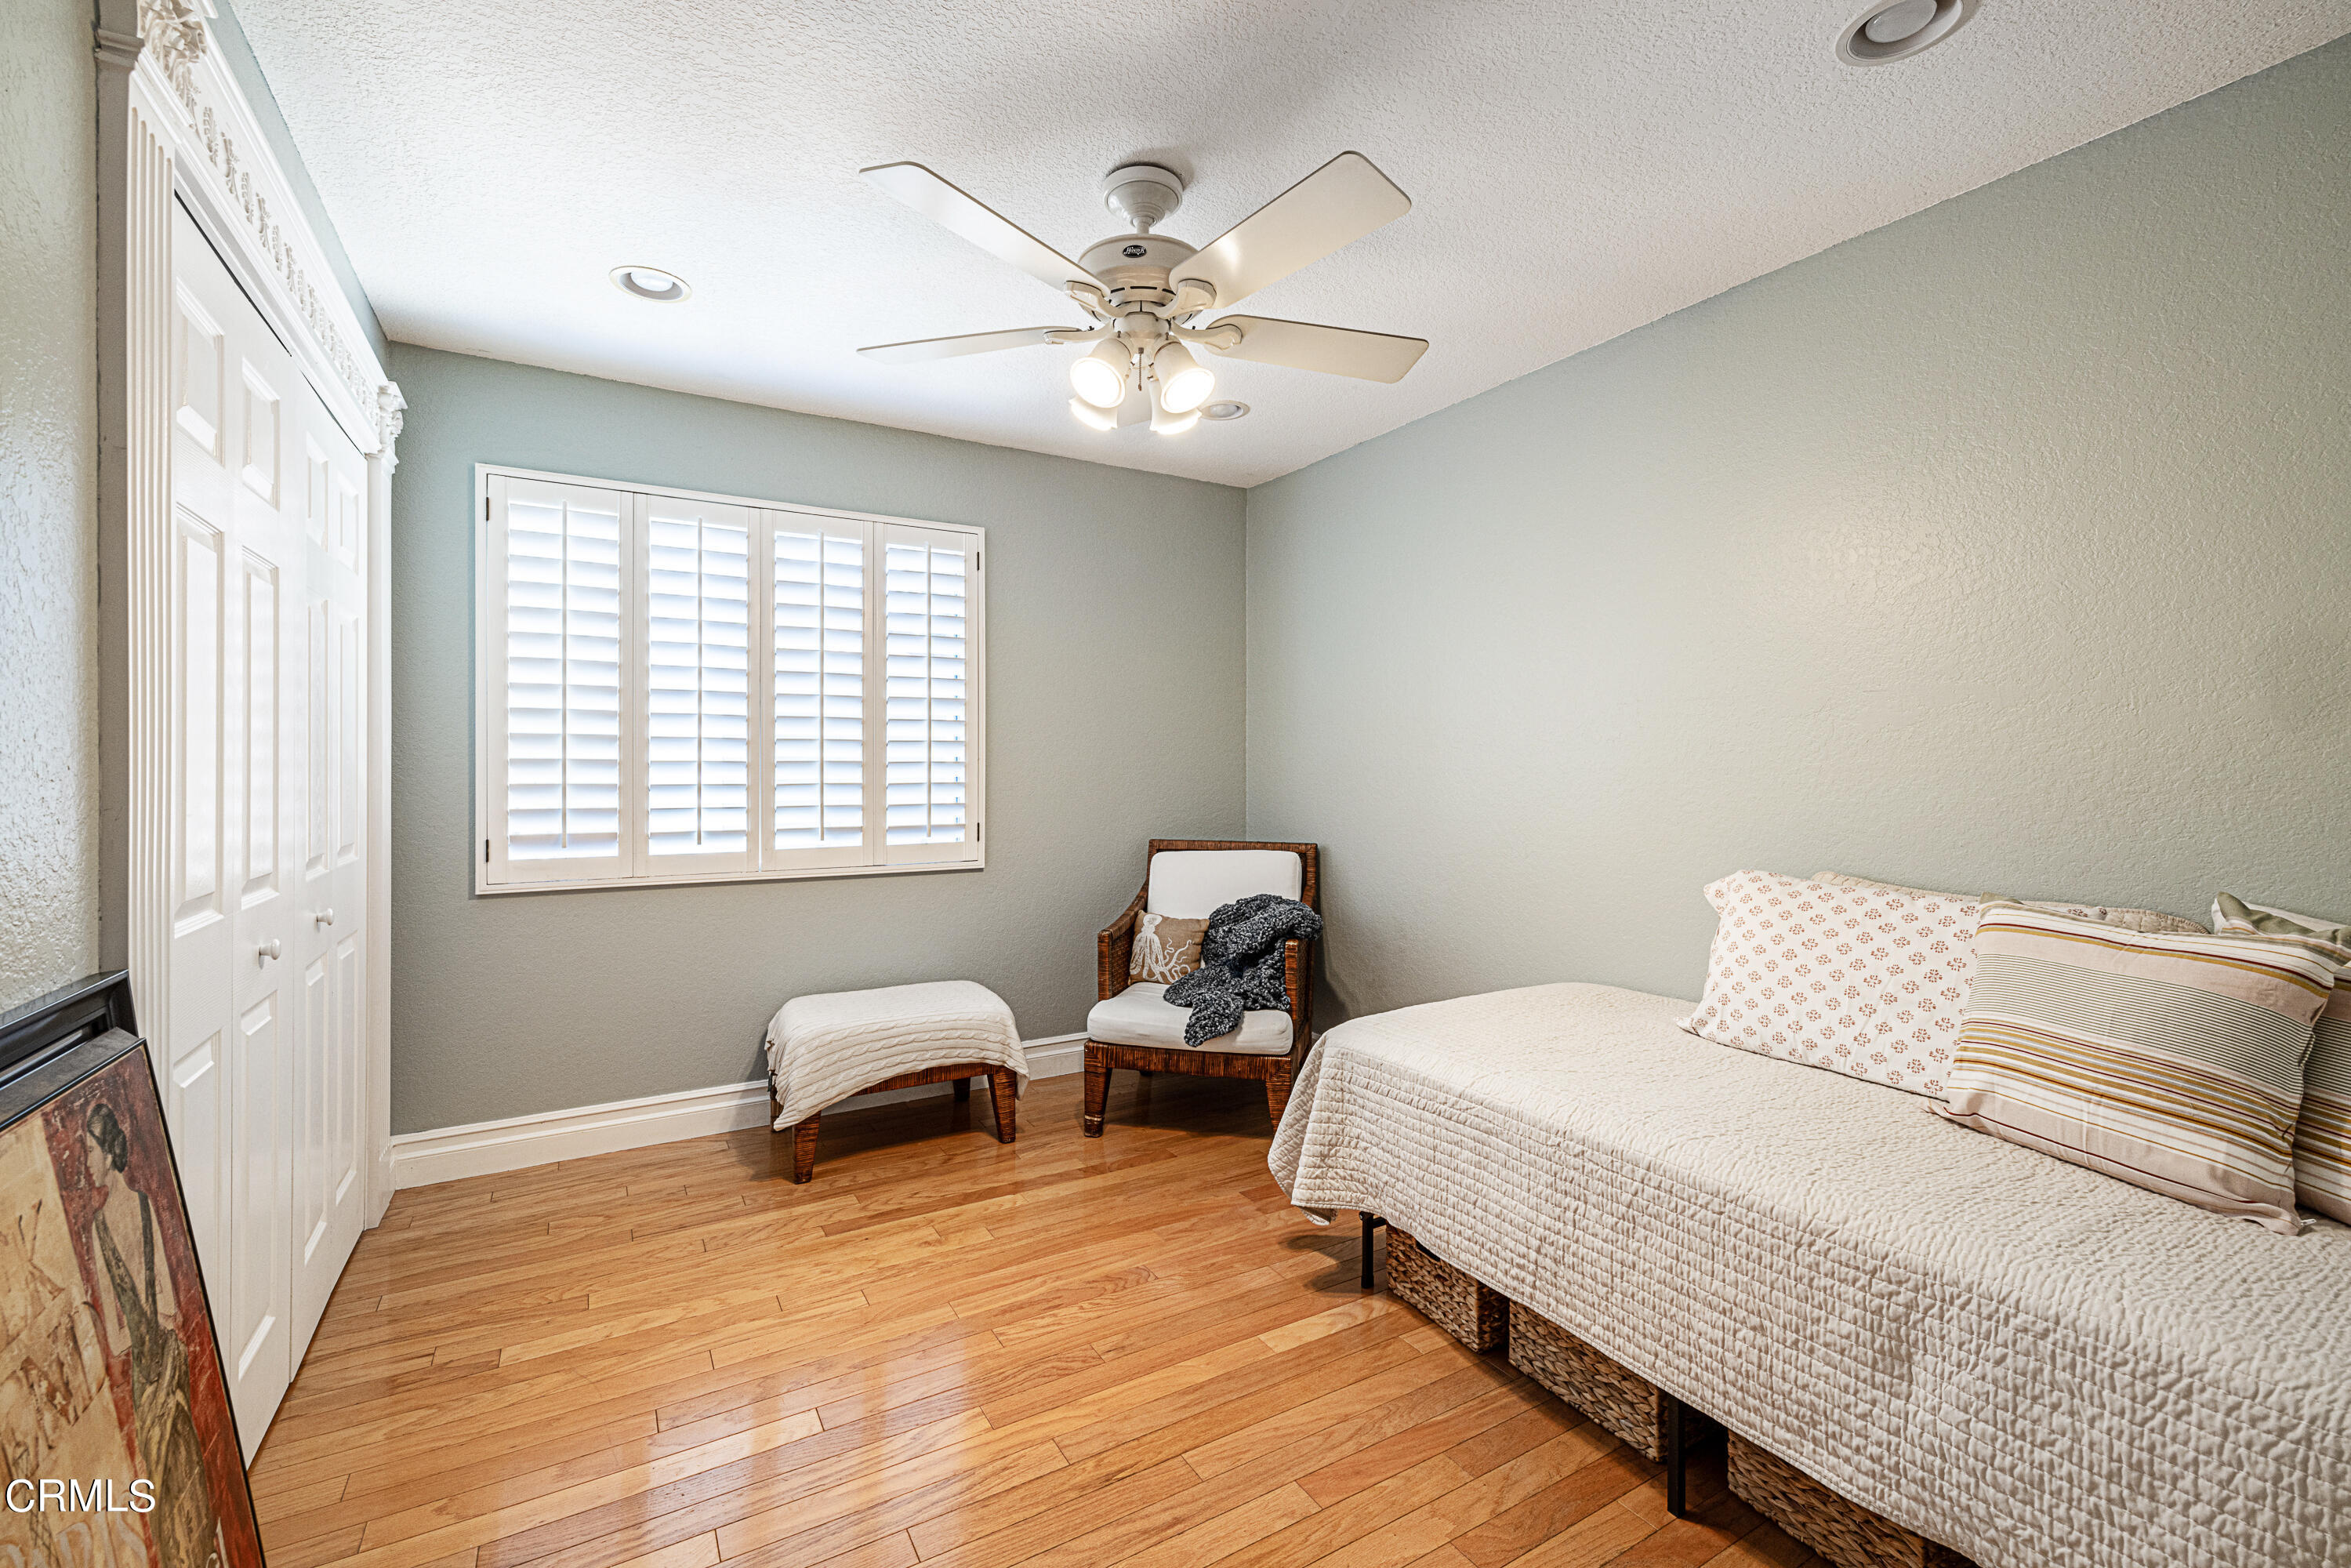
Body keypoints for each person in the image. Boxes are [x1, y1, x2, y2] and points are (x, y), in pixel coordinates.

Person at [80, 1102, 222, 1568]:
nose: (87, 1162)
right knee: (180, 1458)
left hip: (147, 1369)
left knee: (166, 1465)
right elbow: (166, 1302)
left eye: (90, 1150)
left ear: (106, 1151)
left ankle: (189, 1554)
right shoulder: (138, 1206)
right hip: (168, 1355)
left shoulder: (101, 1229)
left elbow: (121, 1335)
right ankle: (198, 1551)